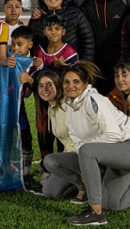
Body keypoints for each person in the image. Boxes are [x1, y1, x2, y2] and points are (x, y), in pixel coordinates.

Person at [50, 61, 130, 226]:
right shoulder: (70, 105)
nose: (71, 85)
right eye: (67, 82)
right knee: (53, 161)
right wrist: (86, 169)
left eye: (76, 81)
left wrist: (90, 155)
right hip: (111, 152)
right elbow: (78, 141)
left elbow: (113, 135)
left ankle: (96, 212)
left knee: (88, 152)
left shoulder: (94, 100)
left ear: (85, 83)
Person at [69, 0, 130, 94]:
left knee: (117, 108)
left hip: (118, 65)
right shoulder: (79, 1)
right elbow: (63, 17)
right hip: (90, 64)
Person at [5, 26, 43, 191]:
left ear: (30, 44)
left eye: (19, 44)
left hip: (19, 108)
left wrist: (31, 78)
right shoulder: (7, 59)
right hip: (4, 106)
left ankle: (26, 175)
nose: (15, 48)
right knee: (3, 138)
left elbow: (42, 86)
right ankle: (4, 171)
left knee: (26, 137)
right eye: (13, 44)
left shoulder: (35, 64)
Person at [36, 70, 78, 199]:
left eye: (49, 84)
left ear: (57, 85)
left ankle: (89, 182)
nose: (45, 89)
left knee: (50, 161)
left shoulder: (68, 105)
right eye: (41, 85)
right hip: (70, 156)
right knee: (50, 192)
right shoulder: (51, 108)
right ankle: (79, 184)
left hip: (82, 155)